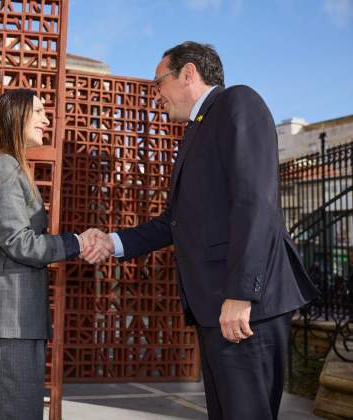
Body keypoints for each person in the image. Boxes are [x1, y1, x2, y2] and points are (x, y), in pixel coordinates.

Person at [81, 42, 320, 419]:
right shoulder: (197, 130)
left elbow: (255, 202)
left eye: (160, 82)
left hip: (244, 309)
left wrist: (242, 294)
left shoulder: (238, 103)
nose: (156, 94)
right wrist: (111, 242)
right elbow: (172, 223)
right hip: (216, 307)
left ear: (188, 73)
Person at [0, 89, 92, 420]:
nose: (46, 118)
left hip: (17, 315)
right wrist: (76, 243)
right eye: (37, 111)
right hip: (10, 316)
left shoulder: (9, 166)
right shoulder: (5, 166)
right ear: (15, 115)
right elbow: (19, 241)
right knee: (10, 410)